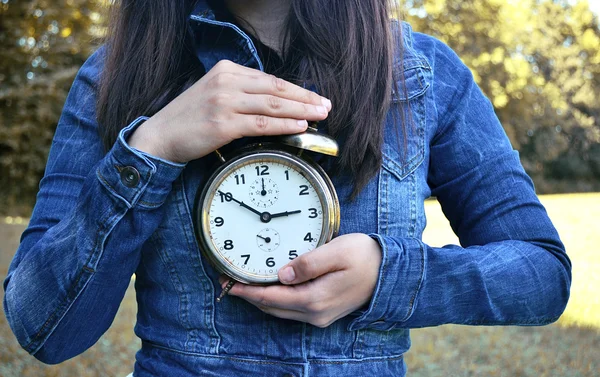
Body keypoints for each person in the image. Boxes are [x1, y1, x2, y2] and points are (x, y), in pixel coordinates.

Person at [3, 0, 571, 376]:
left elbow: (542, 274)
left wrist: (388, 276)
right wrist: (151, 148)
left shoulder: (424, 75)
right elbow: (44, 328)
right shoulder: (117, 75)